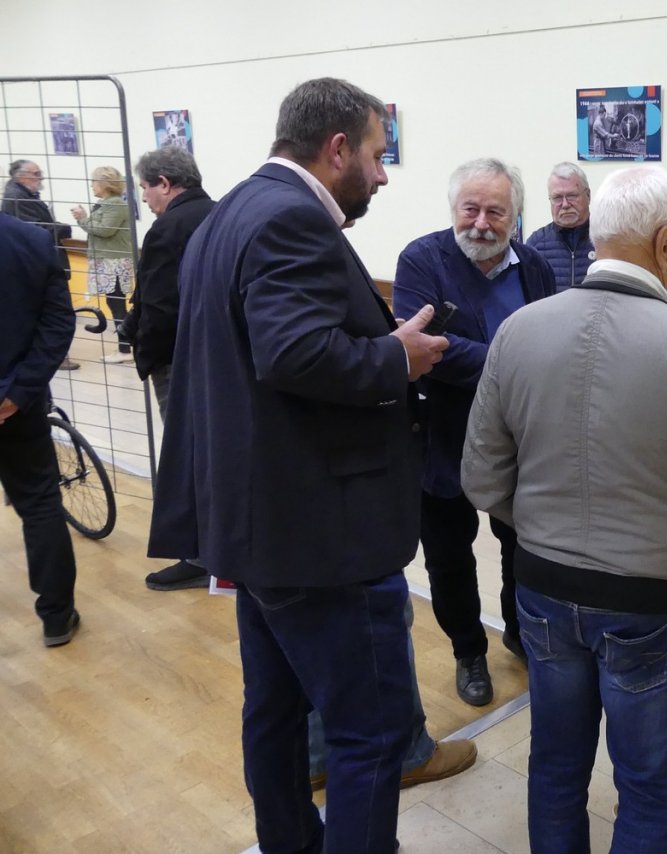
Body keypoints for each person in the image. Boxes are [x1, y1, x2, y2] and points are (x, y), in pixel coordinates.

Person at [147, 77, 456, 854]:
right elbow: (295, 353)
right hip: (321, 538)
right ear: (338, 148)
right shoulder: (291, 219)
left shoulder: (228, 213)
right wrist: (398, 357)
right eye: (378, 157)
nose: (382, 176)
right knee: (371, 731)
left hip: (258, 527)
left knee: (276, 712)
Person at [461, 165, 667, 854]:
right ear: (666, 242)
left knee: (555, 765)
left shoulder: (519, 331)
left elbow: (482, 478)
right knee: (647, 781)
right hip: (649, 600)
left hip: (541, 586)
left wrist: (541, 526)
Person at [393, 157, 555, 707]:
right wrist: (514, 363)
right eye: (471, 209)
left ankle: (519, 632)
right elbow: (426, 351)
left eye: (495, 212)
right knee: (449, 557)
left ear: (516, 216)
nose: (481, 223)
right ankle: (468, 651)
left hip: (519, 440)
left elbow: (548, 341)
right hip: (442, 439)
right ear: (453, 208)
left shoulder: (535, 268)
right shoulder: (421, 260)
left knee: (521, 545)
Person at [116, 148, 218, 590]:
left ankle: (199, 557)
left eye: (145, 187)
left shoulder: (167, 228)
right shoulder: (220, 214)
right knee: (212, 454)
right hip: (218, 357)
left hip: (178, 360)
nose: (144, 197)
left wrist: (146, 355)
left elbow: (159, 305)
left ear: (164, 183)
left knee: (187, 458)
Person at [0, 212, 80, 647]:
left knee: (40, 506)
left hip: (18, 403)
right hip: (18, 405)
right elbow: (57, 323)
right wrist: (18, 392)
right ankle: (56, 617)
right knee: (40, 506)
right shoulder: (29, 241)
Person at [4, 161, 77, 371]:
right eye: (36, 173)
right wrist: (63, 228)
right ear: (21, 176)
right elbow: (33, 229)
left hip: (37, 262)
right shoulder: (17, 197)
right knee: (47, 312)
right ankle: (53, 357)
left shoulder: (24, 194)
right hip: (35, 264)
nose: (41, 177)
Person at [72, 166, 134, 363]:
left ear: (104, 183)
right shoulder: (105, 204)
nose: (92, 186)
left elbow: (105, 230)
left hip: (113, 262)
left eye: (94, 182)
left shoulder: (115, 204)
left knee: (116, 304)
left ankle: (125, 348)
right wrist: (85, 218)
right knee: (114, 302)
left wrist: (82, 219)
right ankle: (126, 346)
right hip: (107, 260)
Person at [525, 161, 595, 290]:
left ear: (588, 196)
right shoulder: (536, 245)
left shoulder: (607, 239)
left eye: (572, 196)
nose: (565, 204)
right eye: (557, 198)